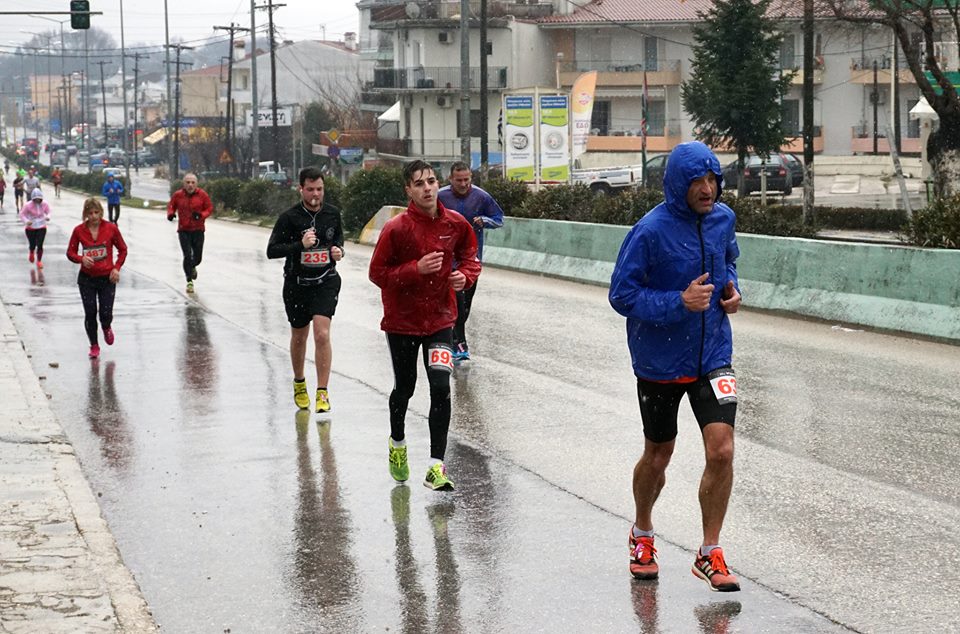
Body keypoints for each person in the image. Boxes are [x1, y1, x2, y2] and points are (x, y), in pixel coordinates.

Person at [609, 141, 743, 592]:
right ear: (677, 185)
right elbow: (622, 295)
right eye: (697, 182)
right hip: (660, 360)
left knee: (721, 450)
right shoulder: (649, 231)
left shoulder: (723, 219)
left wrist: (731, 290)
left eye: (713, 180)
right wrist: (678, 302)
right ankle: (643, 533)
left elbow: (728, 262)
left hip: (713, 354)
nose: (707, 189)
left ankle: (709, 551)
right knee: (658, 454)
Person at [369, 159, 481, 491]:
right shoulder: (396, 228)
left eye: (431, 181)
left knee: (441, 387)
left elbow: (471, 257)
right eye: (419, 183)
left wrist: (464, 276)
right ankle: (398, 442)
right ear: (409, 190)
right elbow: (377, 274)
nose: (428, 188)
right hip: (402, 322)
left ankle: (435, 466)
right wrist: (414, 269)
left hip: (440, 320)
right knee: (405, 387)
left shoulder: (456, 224)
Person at [266, 166, 344, 414]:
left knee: (322, 334)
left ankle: (322, 391)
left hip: (325, 281)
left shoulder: (332, 214)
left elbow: (338, 240)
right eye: (310, 189)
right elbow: (272, 251)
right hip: (297, 285)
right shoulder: (289, 218)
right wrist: (300, 245)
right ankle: (299, 382)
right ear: (301, 189)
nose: (315, 194)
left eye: (319, 189)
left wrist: (339, 251)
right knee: (299, 336)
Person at [437, 161, 504, 363]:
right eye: (459, 180)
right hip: (448, 259)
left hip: (472, 259)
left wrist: (486, 221)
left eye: (466, 179)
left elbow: (499, 218)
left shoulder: (481, 196)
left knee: (465, 305)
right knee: (456, 300)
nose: (463, 184)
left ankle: (453, 336)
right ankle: (459, 344)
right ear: (451, 179)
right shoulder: (441, 196)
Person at [66, 198, 128, 359]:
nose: (94, 216)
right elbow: (70, 252)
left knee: (105, 313)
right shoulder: (79, 230)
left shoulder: (111, 228)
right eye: (90, 213)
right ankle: (94, 345)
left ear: (101, 213)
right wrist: (81, 259)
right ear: (85, 214)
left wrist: (116, 268)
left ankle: (106, 327)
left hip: (107, 278)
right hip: (87, 279)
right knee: (90, 311)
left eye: (96, 213)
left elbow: (123, 249)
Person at [167, 173, 213, 293]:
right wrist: (171, 214)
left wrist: (201, 215)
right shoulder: (178, 195)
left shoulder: (202, 195)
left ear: (196, 184)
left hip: (198, 230)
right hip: (184, 230)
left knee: (197, 258)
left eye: (193, 182)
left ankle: (192, 266)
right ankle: (189, 281)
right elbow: (171, 206)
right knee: (187, 255)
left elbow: (209, 208)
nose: (190, 185)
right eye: (188, 182)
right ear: (184, 184)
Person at [19, 188, 50, 269]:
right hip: (31, 227)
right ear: (32, 198)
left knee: (40, 244)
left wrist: (48, 216)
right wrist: (26, 221)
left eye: (39, 199)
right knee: (32, 244)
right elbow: (22, 214)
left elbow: (48, 211)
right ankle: (31, 251)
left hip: (42, 226)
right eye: (35, 199)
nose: (37, 200)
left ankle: (39, 261)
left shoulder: (45, 204)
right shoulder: (28, 205)